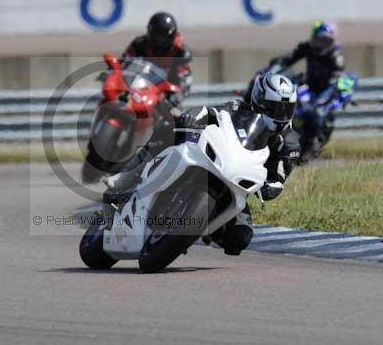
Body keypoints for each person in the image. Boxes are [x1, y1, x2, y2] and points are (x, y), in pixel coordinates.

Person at [104, 73, 300, 256]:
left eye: (286, 109)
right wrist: (193, 116)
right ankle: (126, 175)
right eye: (275, 107)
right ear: (259, 99)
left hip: (236, 182)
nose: (280, 114)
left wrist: (272, 187)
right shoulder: (238, 109)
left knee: (239, 239)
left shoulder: (290, 143)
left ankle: (198, 230)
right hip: (211, 157)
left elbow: (279, 176)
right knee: (168, 128)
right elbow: (210, 112)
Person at [123, 11, 193, 103]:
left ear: (172, 35)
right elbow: (124, 64)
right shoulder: (138, 44)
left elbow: (184, 79)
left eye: (164, 36)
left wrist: (177, 95)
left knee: (175, 113)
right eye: (157, 36)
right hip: (140, 88)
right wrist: (114, 76)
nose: (161, 40)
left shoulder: (182, 51)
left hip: (167, 91)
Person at [270, 20, 345, 94]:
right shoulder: (307, 47)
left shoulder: (335, 56)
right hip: (308, 85)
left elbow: (338, 77)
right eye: (318, 39)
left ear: (331, 42)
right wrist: (277, 63)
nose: (320, 44)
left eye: (324, 41)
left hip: (325, 92)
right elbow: (289, 58)